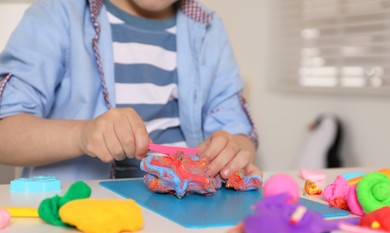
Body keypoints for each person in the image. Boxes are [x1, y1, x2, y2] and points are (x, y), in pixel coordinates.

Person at [0, 0, 261, 181]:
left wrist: (235, 147)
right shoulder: (56, 14)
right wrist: (82, 135)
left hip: (185, 212)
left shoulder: (208, 28)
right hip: (84, 216)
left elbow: (237, 130)